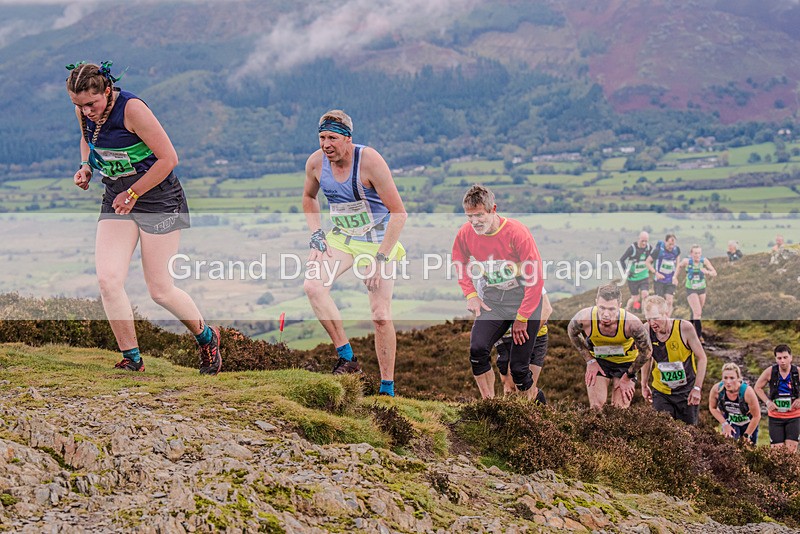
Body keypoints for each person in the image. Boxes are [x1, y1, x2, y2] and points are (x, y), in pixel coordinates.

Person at [66, 61, 221, 374]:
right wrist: (86, 166)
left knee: (160, 290)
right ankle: (132, 359)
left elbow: (169, 159)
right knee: (108, 280)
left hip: (158, 199)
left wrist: (133, 193)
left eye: (91, 104)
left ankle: (207, 337)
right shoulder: (85, 110)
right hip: (116, 196)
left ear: (107, 90)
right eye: (79, 105)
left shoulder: (132, 109)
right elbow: (88, 138)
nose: (86, 111)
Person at [302, 110, 407, 397]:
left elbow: (399, 213)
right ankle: (347, 359)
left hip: (377, 241)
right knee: (313, 286)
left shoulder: (369, 161)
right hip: (343, 238)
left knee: (380, 315)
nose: (326, 144)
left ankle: (387, 390)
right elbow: (309, 197)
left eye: (332, 138)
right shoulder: (315, 163)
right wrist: (316, 234)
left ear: (348, 138)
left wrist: (380, 259)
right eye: (322, 137)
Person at [452, 184, 544, 400]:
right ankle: (490, 404)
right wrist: (471, 294)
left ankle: (538, 410)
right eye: (469, 216)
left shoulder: (517, 232)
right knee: (477, 350)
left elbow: (536, 279)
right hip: (494, 300)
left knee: (519, 370)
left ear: (493, 209)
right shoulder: (466, 233)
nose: (475, 221)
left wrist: (522, 318)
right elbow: (459, 261)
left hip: (524, 300)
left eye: (479, 215)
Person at [567, 283, 652, 409]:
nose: (606, 314)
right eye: (602, 308)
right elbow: (572, 333)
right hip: (600, 361)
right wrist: (590, 360)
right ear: (596, 302)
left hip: (626, 364)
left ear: (619, 306)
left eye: (611, 309)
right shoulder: (584, 318)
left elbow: (647, 351)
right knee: (596, 408)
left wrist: (629, 376)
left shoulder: (632, 324)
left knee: (619, 410)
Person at [641, 296, 707, 425]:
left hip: (686, 392)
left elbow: (702, 358)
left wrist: (697, 388)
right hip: (661, 391)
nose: (652, 323)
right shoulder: (646, 330)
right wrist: (644, 385)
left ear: (666, 313)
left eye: (656, 318)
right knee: (662, 429)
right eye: (648, 319)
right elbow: (646, 358)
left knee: (689, 432)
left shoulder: (684, 328)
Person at [495, 288, 552, 403]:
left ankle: (539, 410)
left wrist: (527, 337)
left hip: (535, 338)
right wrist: (500, 346)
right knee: (509, 389)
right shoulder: (489, 282)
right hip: (507, 338)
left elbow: (547, 310)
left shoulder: (530, 281)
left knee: (524, 389)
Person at [754, 344, 800, 452]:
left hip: (794, 416)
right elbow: (757, 387)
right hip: (775, 417)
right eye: (779, 358)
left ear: (791, 357)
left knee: (790, 451)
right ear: (775, 359)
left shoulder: (797, 372)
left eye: (785, 357)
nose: (782, 361)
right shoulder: (770, 371)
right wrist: (767, 402)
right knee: (776, 452)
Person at [709, 362, 760, 445]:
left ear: (738, 378)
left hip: (748, 423)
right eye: (725, 378)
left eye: (732, 378)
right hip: (731, 421)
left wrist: (746, 436)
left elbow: (757, 416)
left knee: (748, 448)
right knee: (729, 446)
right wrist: (725, 424)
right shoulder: (717, 389)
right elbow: (712, 408)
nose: (728, 382)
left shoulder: (747, 392)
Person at [675, 245, 716, 342]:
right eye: (695, 253)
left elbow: (714, 272)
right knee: (697, 313)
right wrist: (675, 277)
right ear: (691, 254)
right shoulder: (687, 262)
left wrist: (707, 272)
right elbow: (679, 266)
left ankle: (688, 329)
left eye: (699, 253)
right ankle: (698, 336)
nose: (697, 255)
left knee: (696, 312)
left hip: (702, 289)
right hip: (691, 289)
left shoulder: (704, 261)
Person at [645, 234, 680, 315]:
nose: (671, 247)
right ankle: (659, 317)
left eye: (673, 244)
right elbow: (647, 262)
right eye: (669, 244)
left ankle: (667, 319)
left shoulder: (676, 250)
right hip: (659, 281)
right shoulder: (658, 250)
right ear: (665, 241)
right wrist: (656, 273)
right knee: (660, 302)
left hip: (670, 280)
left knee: (669, 301)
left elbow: (678, 265)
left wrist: (675, 277)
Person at [619, 231, 652, 313]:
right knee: (635, 299)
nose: (644, 243)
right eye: (642, 241)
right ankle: (628, 309)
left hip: (644, 276)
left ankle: (644, 313)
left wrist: (651, 268)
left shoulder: (649, 248)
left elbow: (653, 258)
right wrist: (627, 271)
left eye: (646, 241)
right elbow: (622, 260)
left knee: (645, 294)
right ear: (638, 239)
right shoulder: (632, 249)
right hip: (633, 278)